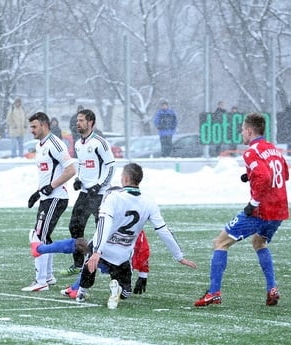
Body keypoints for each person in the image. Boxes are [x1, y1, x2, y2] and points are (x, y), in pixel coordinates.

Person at [194, 113, 289, 307]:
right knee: (259, 242)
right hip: (280, 209)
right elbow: (284, 174)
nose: (241, 134)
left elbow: (264, 177)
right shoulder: (274, 150)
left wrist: (253, 204)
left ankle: (214, 293)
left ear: (249, 130)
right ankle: (272, 288)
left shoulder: (251, 152)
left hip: (262, 209)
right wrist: (250, 175)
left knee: (220, 242)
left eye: (242, 130)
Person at [77, 163, 197, 308]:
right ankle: (119, 289)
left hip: (102, 249)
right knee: (126, 293)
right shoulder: (149, 202)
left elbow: (103, 224)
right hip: (122, 254)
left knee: (88, 271)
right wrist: (179, 256)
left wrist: (97, 251)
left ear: (126, 179)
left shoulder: (113, 196)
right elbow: (163, 230)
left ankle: (82, 292)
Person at [23, 112, 77, 292]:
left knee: (37, 236)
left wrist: (50, 187)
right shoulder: (40, 145)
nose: (31, 130)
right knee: (44, 236)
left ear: (44, 126)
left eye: (34, 127)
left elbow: (71, 169)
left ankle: (41, 282)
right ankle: (48, 276)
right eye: (31, 127)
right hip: (47, 198)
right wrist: (38, 193)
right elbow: (48, 173)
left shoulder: (55, 144)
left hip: (56, 197)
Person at [62, 109, 115, 276]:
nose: (77, 123)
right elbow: (84, 165)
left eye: (81, 120)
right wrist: (78, 179)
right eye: (77, 120)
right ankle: (79, 263)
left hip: (100, 195)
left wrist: (98, 185)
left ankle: (110, 264)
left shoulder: (100, 143)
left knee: (104, 230)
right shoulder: (78, 144)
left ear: (90, 122)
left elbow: (111, 166)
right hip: (85, 194)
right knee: (75, 227)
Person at [30, 228, 151, 299]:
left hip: (116, 262)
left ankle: (78, 290)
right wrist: (143, 275)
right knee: (87, 249)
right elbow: (143, 250)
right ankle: (78, 289)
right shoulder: (134, 222)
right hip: (119, 263)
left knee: (88, 252)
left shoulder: (112, 218)